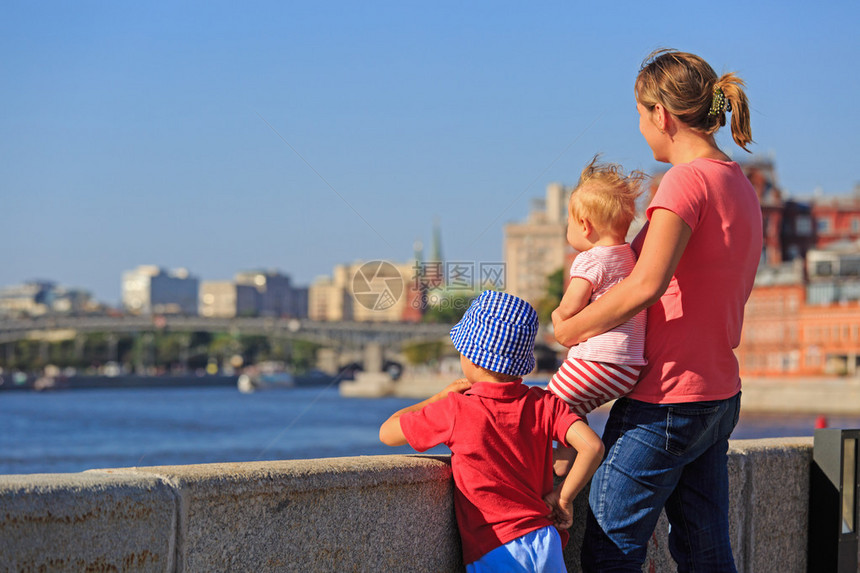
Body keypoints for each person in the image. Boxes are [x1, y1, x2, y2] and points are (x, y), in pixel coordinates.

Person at [553, 49, 762, 572]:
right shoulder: (737, 182)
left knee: (610, 547)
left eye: (640, 115)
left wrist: (571, 328)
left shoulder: (685, 182)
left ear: (661, 115)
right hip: (717, 396)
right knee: (705, 552)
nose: (642, 128)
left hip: (666, 399)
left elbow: (645, 284)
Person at [379, 290, 604, 572]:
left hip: (496, 547)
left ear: (471, 357)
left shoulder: (456, 409)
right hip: (546, 541)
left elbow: (387, 433)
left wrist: (436, 398)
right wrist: (563, 497)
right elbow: (592, 447)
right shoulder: (544, 402)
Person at [547, 157, 647, 475]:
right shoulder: (631, 256)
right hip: (627, 369)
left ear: (585, 226)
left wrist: (557, 314)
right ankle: (564, 473)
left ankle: (573, 462)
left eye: (568, 222)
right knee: (569, 415)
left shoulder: (590, 259)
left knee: (547, 408)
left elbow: (572, 306)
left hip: (596, 361)